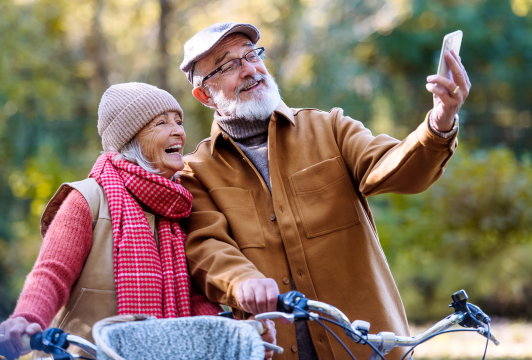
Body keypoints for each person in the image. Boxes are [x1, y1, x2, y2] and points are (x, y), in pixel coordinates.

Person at [178, 22, 470, 360]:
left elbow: (398, 168)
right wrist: (241, 281)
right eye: (229, 65)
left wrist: (439, 120)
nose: (250, 70)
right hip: (272, 350)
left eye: (252, 55)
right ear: (204, 95)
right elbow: (207, 247)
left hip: (368, 348)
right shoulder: (196, 171)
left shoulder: (329, 127)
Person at [0, 82, 276, 360]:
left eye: (178, 121)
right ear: (131, 138)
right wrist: (26, 319)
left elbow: (194, 301)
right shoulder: (87, 198)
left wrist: (235, 337)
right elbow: (51, 274)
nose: (178, 131)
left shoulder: (180, 205)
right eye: (161, 123)